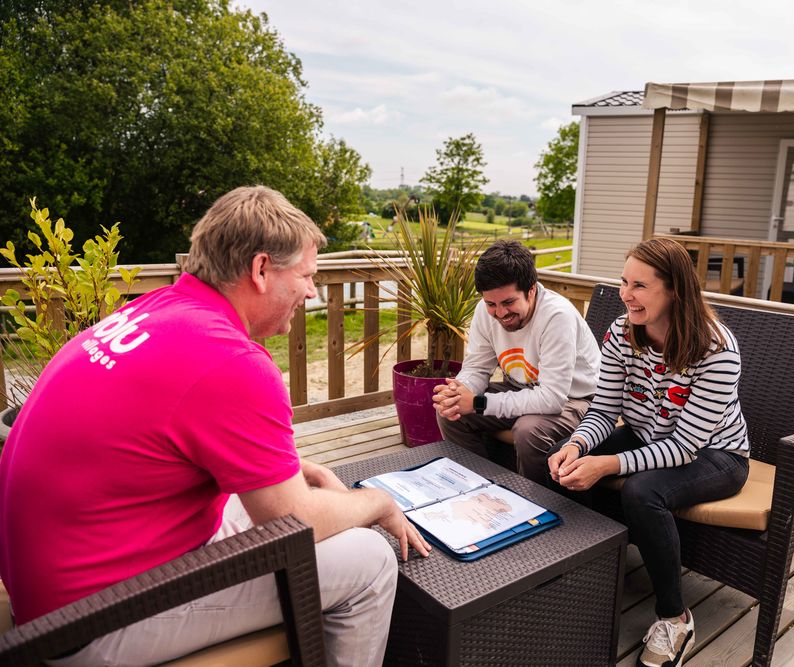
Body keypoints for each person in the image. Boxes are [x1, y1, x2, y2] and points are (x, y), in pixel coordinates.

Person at [0, 186, 430, 667]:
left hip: (48, 588)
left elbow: (166, 437)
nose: (311, 291)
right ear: (261, 269)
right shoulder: (232, 360)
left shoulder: (155, 308)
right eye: (307, 275)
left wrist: (295, 471)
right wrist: (377, 502)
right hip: (91, 621)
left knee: (299, 501)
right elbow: (296, 520)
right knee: (370, 558)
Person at [548, 237, 750, 667]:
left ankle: (676, 618)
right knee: (563, 454)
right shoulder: (622, 332)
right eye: (624, 282)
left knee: (641, 492)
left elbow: (684, 447)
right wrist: (578, 444)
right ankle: (590, 575)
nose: (625, 294)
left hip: (716, 455)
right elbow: (603, 411)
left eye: (639, 285)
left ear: (674, 289)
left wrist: (607, 464)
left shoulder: (717, 349)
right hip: (647, 437)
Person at [432, 240, 601, 485]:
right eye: (491, 304)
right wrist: (461, 391)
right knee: (452, 413)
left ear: (531, 290)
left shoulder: (557, 316)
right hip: (523, 388)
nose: (500, 313)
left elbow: (552, 398)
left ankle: (538, 501)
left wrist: (478, 403)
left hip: (575, 399)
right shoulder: (484, 311)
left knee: (528, 431)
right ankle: (480, 489)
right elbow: (477, 367)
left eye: (508, 302)